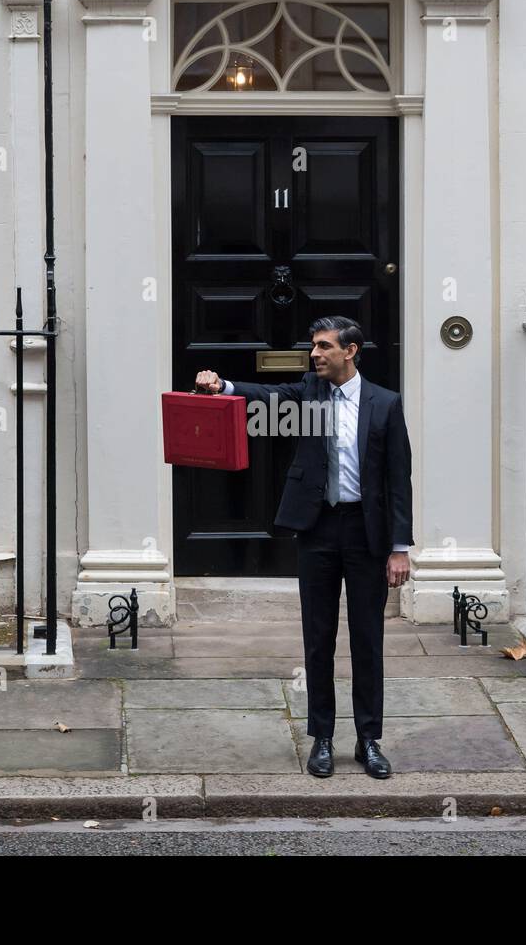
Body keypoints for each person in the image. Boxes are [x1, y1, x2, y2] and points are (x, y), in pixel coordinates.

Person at [195, 316, 412, 779]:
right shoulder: (308, 395)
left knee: (367, 640)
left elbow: (399, 480)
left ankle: (369, 739)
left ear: (350, 351)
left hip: (366, 534)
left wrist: (399, 547)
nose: (314, 354)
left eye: (323, 346)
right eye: (313, 347)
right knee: (318, 639)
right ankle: (323, 738)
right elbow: (264, 396)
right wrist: (223, 385)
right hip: (318, 530)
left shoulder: (386, 404)